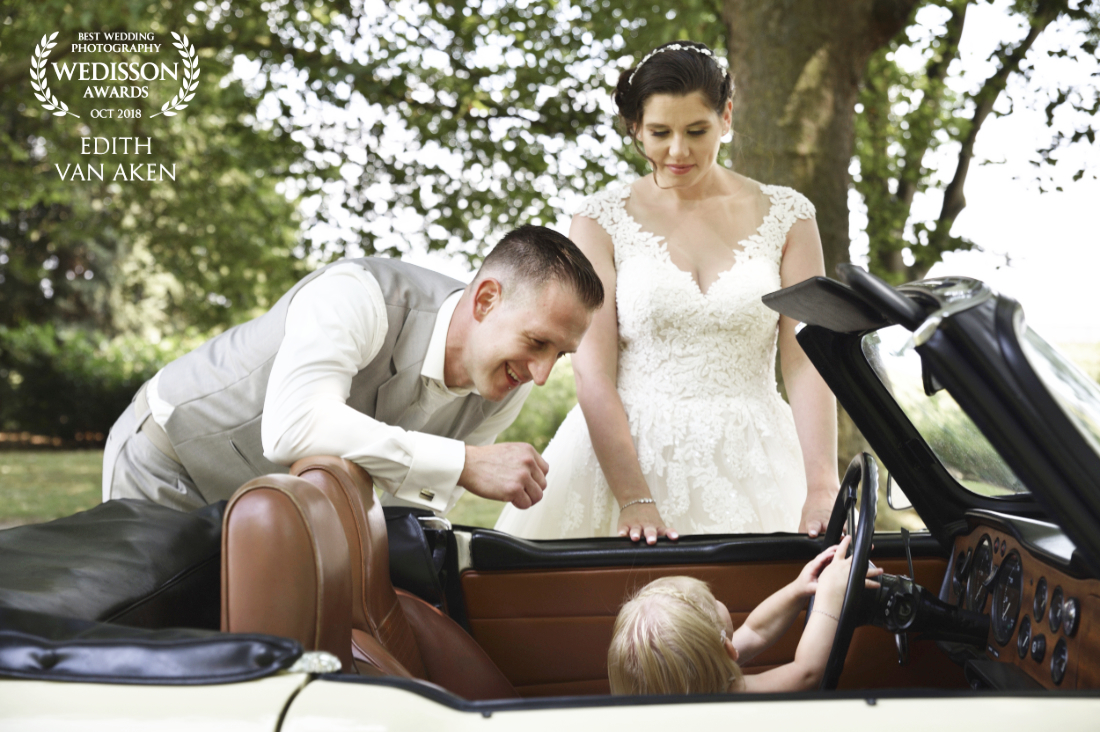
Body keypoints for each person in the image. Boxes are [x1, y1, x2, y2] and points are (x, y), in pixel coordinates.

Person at [494, 41, 839, 542]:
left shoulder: (789, 217)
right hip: (625, 457)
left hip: (758, 456)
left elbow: (808, 359)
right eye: (659, 132)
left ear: (725, 117)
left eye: (696, 130)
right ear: (635, 127)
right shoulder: (598, 221)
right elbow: (594, 374)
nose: (678, 151)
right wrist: (634, 498)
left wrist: (822, 483)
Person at [101, 225, 603, 514]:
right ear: (487, 299)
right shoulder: (358, 295)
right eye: (537, 342)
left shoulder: (506, 381)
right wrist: (465, 463)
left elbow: (409, 504)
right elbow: (295, 428)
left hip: (275, 511)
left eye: (559, 354)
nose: (540, 374)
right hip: (171, 461)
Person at [607, 536, 881, 694]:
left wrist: (798, 590)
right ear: (727, 648)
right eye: (712, 601)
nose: (717, 599)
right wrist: (830, 595)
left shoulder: (700, 674)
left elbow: (756, 630)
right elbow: (808, 672)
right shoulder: (736, 695)